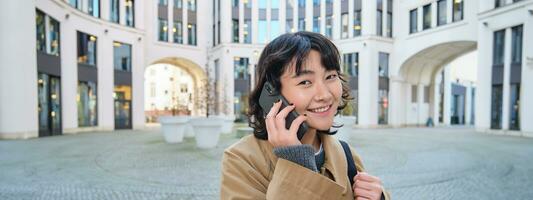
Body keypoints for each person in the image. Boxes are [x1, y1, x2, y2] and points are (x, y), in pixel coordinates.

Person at [220, 31, 390, 200]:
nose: (324, 95)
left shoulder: (346, 154)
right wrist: (295, 161)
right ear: (272, 95)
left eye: (330, 76)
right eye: (305, 82)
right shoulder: (242, 160)